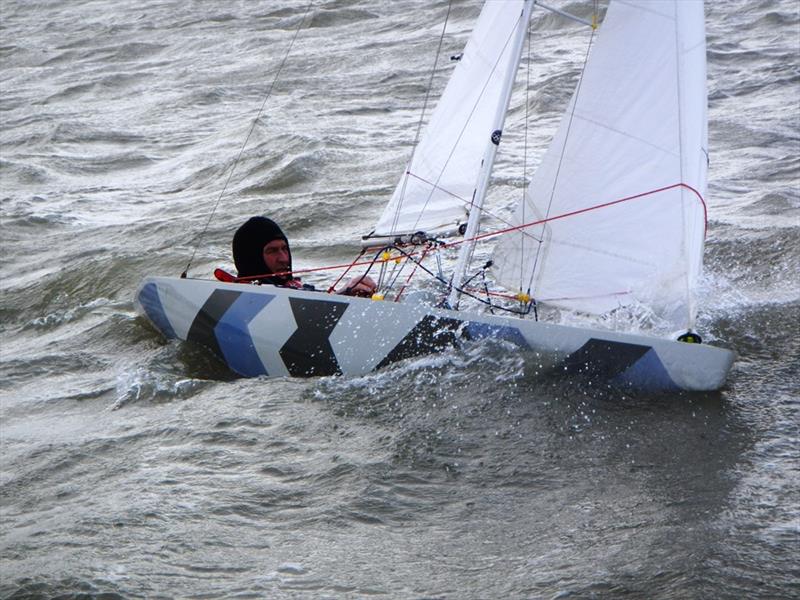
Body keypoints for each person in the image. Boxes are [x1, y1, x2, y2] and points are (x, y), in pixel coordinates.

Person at [232, 216, 377, 296]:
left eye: (284, 249)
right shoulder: (240, 298)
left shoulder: (295, 288)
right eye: (272, 251)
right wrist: (344, 292)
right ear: (252, 259)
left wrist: (350, 292)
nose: (283, 258)